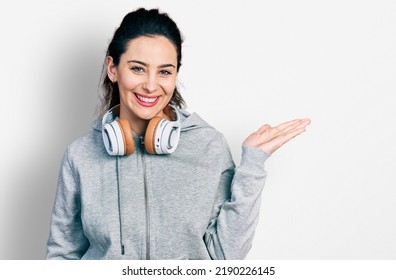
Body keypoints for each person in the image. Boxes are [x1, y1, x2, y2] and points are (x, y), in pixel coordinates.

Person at [46, 7, 311, 260]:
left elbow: (226, 257)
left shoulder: (208, 146)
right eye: (138, 68)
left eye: (164, 71)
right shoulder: (80, 155)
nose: (151, 85)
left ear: (175, 75)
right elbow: (62, 254)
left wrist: (253, 164)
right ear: (113, 68)